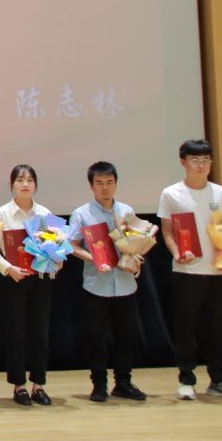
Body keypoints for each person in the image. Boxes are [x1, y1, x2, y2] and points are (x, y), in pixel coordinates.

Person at [157, 139, 222, 401]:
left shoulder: (221, 193)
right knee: (186, 327)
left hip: (216, 270)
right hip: (187, 270)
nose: (201, 165)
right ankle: (186, 380)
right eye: (195, 160)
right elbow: (167, 231)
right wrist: (176, 253)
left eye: (206, 159)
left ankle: (220, 380)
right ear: (183, 162)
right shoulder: (171, 193)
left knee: (217, 327)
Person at [69, 161, 147, 402]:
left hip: (125, 282)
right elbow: (72, 246)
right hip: (97, 284)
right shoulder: (82, 213)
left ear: (116, 184)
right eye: (99, 183)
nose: (105, 188)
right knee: (96, 337)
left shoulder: (127, 211)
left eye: (109, 182)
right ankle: (99, 384)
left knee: (126, 336)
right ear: (91, 186)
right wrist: (93, 257)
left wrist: (136, 256)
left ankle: (123, 382)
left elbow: (136, 241)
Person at [0, 164, 55, 406]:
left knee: (40, 331)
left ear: (35, 184)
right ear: (11, 185)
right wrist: (8, 268)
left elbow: (56, 245)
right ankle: (19, 386)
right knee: (16, 332)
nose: (25, 184)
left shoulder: (44, 213)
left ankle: (39, 384)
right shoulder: (2, 214)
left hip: (40, 278)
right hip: (14, 278)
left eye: (30, 180)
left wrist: (55, 261)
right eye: (20, 180)